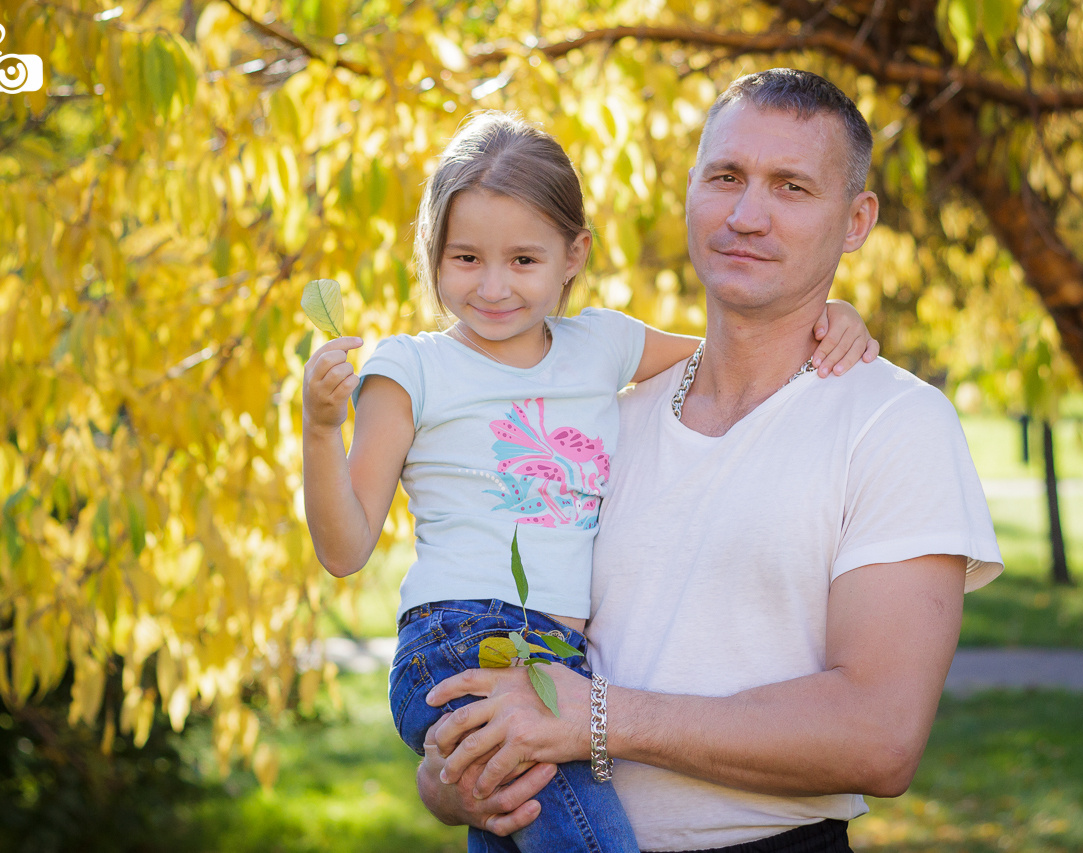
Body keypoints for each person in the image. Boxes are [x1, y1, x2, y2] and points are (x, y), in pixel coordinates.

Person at [417, 70, 1005, 853]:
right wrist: (453, 775)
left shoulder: (896, 423)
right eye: (725, 177)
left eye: (792, 187)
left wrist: (591, 718)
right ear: (691, 188)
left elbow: (880, 733)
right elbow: (502, 647)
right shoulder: (604, 419)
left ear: (856, 219)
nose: (746, 215)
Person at [301, 109, 879, 853]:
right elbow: (345, 546)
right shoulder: (411, 370)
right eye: (465, 258)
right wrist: (321, 431)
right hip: (464, 642)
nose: (493, 286)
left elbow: (742, 347)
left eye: (524, 260)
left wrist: (832, 315)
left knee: (516, 831)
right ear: (433, 253)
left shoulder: (603, 344)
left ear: (574, 253)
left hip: (561, 660)